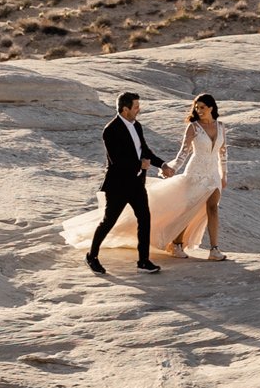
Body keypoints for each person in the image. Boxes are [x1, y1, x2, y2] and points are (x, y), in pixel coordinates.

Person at [84, 90, 170, 275]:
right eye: (136, 107)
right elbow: (117, 160)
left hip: (137, 183)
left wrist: (162, 164)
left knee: (145, 219)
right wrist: (140, 163)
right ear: (125, 109)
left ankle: (143, 262)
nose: (139, 109)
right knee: (109, 221)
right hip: (118, 185)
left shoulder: (136, 125)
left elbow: (144, 150)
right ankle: (92, 256)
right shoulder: (110, 130)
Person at [162, 94, 228, 260]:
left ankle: (214, 250)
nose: (199, 111)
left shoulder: (220, 126)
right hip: (196, 171)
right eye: (197, 108)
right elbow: (183, 152)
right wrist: (172, 168)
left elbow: (223, 152)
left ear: (211, 108)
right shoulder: (193, 127)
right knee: (189, 208)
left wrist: (224, 175)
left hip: (213, 173)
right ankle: (176, 244)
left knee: (213, 209)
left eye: (202, 107)